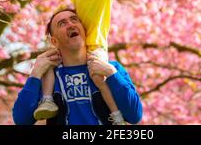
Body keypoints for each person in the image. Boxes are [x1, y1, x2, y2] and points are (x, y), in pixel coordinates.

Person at [32, 0, 126, 124]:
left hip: (96, 44)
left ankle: (116, 114)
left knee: (98, 77)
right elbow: (75, 14)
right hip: (79, 42)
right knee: (49, 60)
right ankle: (48, 100)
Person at [12, 8, 142, 125]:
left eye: (74, 20)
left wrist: (111, 74)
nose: (71, 24)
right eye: (62, 23)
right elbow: (21, 120)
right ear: (54, 41)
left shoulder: (111, 69)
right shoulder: (48, 79)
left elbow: (134, 115)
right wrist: (35, 74)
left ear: (84, 31)